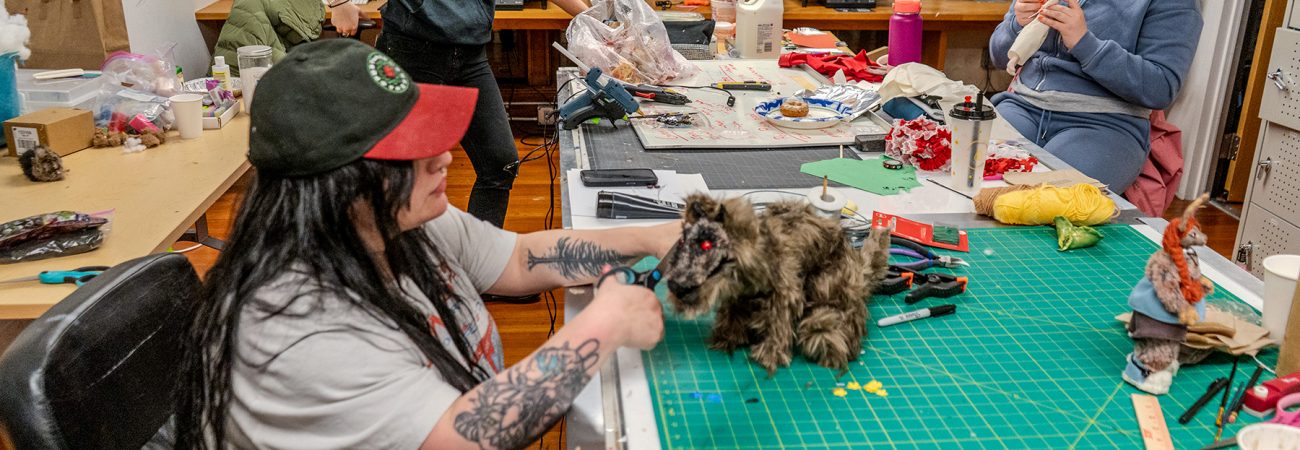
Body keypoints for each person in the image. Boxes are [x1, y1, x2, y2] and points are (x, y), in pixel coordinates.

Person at [173, 39, 677, 449]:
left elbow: (519, 259)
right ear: (339, 184)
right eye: (412, 149)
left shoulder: (397, 221)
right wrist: (603, 325)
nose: (445, 157)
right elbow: (463, 437)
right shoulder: (292, 329)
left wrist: (652, 237)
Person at [376, 0, 593, 227]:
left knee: (500, 164)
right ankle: (399, 248)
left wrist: (593, 20)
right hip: (412, 50)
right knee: (405, 175)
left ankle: (480, 246)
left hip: (470, 53)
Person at [988, 0, 1201, 192]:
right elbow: (998, 57)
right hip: (1022, 106)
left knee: (1052, 201)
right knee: (972, 175)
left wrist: (1085, 44)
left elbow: (1161, 88)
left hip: (1105, 125)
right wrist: (1016, 25)